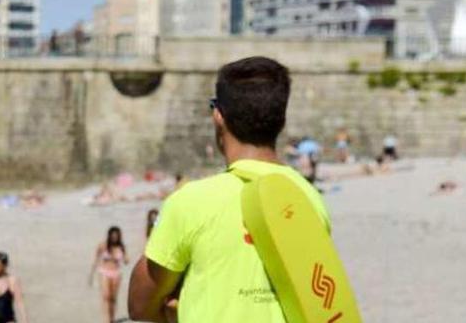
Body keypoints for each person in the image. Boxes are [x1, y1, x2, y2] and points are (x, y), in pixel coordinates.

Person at [128, 56, 331, 323]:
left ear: (218, 116)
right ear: (281, 121)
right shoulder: (307, 197)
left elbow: (139, 305)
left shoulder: (191, 201)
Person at [89, 226, 129, 323]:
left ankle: (112, 318)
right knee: (106, 296)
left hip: (116, 274)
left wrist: (124, 257)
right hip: (104, 272)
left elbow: (127, 261)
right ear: (109, 236)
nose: (115, 237)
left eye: (117, 236)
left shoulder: (121, 247)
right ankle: (106, 320)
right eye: (113, 235)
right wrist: (91, 275)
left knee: (113, 298)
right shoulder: (103, 245)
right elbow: (95, 260)